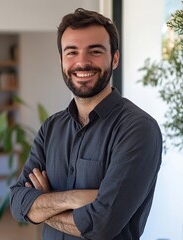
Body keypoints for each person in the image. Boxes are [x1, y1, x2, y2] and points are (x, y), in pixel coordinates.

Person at [10, 8, 162, 240]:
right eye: (71, 52)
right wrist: (73, 198)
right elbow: (17, 202)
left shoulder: (138, 129)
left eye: (95, 51)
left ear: (115, 58)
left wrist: (43, 205)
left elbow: (101, 226)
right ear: (61, 60)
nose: (82, 62)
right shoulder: (51, 128)